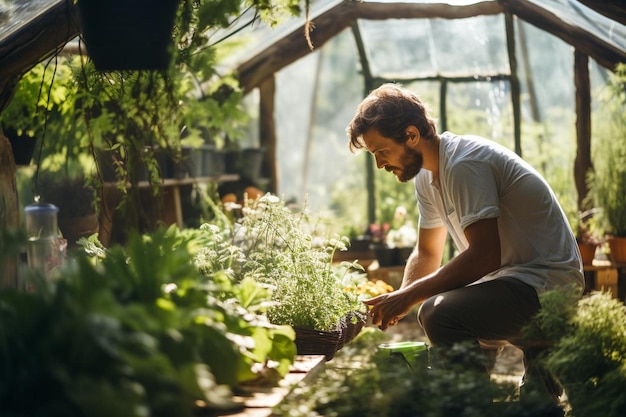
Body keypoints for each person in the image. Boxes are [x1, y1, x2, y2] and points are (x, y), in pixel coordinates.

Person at [346, 83, 584, 410]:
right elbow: (428, 252)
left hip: (547, 289)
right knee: (535, 405)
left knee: (440, 314)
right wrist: (399, 300)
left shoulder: (464, 164)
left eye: (381, 151)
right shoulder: (427, 176)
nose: (380, 165)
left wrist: (411, 298)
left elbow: (485, 255)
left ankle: (473, 407)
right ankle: (532, 385)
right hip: (511, 284)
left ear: (411, 135)